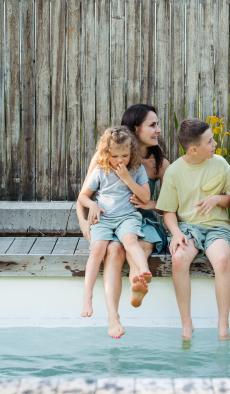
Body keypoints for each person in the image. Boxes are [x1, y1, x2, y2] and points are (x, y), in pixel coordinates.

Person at [76, 104, 169, 339]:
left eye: (157, 124)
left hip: (138, 219)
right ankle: (113, 316)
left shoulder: (158, 163)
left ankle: (137, 285)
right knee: (114, 250)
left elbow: (170, 204)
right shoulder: (105, 158)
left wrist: (151, 205)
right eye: (152, 125)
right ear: (135, 130)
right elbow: (84, 197)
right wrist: (84, 223)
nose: (158, 130)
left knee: (135, 244)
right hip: (110, 218)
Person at [155, 118, 230, 341]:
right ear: (194, 149)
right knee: (179, 259)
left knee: (221, 260)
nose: (215, 144)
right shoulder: (173, 172)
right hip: (188, 228)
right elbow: (168, 211)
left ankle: (223, 324)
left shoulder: (220, 163)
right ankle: (186, 324)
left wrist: (218, 199)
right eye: (209, 141)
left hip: (219, 228)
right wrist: (176, 232)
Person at [78, 127, 153, 322]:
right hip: (103, 218)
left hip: (126, 216)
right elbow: (83, 197)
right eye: (115, 156)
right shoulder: (101, 171)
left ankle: (144, 270)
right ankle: (87, 296)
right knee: (97, 249)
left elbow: (145, 197)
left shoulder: (136, 170)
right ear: (106, 154)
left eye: (125, 155)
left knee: (130, 240)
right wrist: (92, 204)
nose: (120, 160)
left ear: (132, 153)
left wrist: (127, 178)